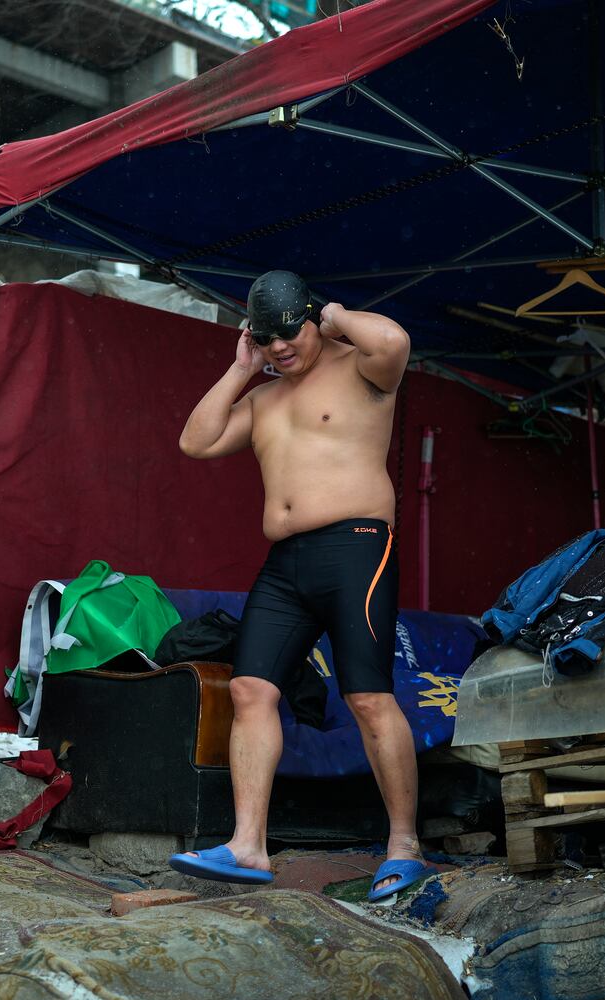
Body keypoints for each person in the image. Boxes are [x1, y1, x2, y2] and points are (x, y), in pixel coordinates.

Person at [170, 269, 430, 902]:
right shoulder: (263, 397)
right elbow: (194, 441)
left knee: (368, 698)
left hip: (356, 548)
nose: (281, 348)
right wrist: (240, 369)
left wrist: (335, 314)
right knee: (251, 688)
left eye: (290, 333)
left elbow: (395, 341)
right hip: (286, 563)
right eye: (268, 339)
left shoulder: (364, 370)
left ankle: (404, 845)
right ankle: (248, 846)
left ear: (313, 320)